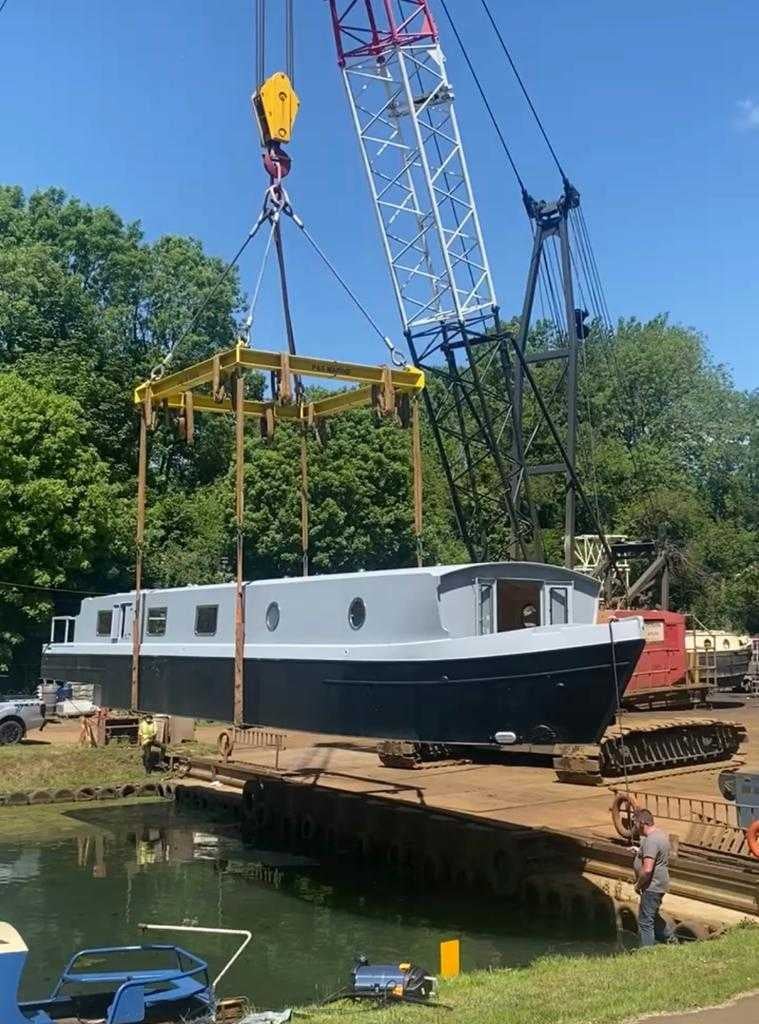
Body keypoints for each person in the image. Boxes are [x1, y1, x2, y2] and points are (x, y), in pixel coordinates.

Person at [633, 808, 674, 947]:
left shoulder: (652, 841)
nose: (634, 827)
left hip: (652, 885)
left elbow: (648, 869)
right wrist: (639, 852)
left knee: (645, 921)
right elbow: (654, 856)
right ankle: (672, 942)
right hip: (659, 884)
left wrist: (638, 884)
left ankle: (647, 952)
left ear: (641, 823)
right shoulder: (660, 835)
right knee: (653, 916)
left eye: (635, 823)